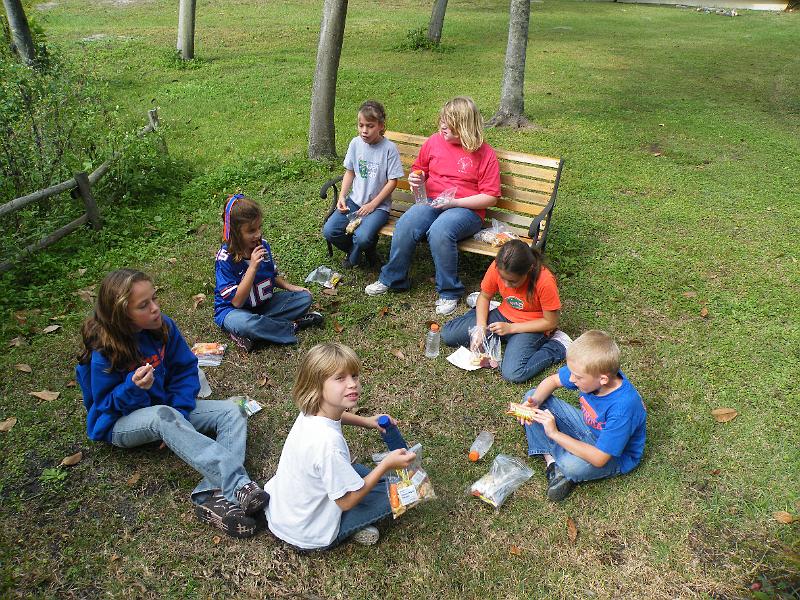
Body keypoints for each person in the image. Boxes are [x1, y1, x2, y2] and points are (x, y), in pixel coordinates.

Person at [75, 269, 268, 538]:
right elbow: (104, 405)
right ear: (121, 314)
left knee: (234, 410)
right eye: (144, 305)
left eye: (154, 299)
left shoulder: (162, 327)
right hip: (120, 423)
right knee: (160, 416)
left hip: (166, 411)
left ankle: (209, 496)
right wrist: (131, 389)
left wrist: (178, 416)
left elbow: (185, 370)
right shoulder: (104, 352)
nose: (155, 309)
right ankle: (237, 483)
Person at [264, 342, 417, 550]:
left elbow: (337, 416)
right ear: (316, 386)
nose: (352, 384)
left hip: (285, 512)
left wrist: (367, 421)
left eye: (354, 376)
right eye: (340, 378)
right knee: (407, 489)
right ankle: (351, 529)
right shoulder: (328, 444)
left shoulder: (311, 411)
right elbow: (346, 502)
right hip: (309, 534)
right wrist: (386, 465)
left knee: (373, 478)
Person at [364, 96, 501, 316]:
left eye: (449, 123)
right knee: (406, 224)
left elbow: (490, 197)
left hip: (467, 209)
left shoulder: (485, 154)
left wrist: (454, 202)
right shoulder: (434, 141)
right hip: (433, 201)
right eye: (442, 121)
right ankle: (393, 278)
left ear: (465, 126)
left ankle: (449, 292)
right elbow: (420, 169)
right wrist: (416, 179)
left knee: (440, 231)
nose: (442, 126)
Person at [516, 330, 647, 502]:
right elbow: (553, 381)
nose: (571, 379)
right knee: (533, 396)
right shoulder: (590, 373)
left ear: (603, 380)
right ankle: (553, 464)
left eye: (577, 377)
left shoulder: (623, 408)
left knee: (572, 467)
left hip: (614, 455)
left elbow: (600, 458)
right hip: (588, 428)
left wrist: (555, 433)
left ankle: (560, 463)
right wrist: (535, 402)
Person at [441, 239, 572, 383]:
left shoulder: (544, 280)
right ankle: (486, 315)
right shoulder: (498, 266)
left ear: (528, 270)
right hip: (503, 314)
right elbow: (484, 297)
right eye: (503, 279)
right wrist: (480, 327)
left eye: (513, 281)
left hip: (531, 325)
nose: (505, 284)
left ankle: (557, 346)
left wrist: (511, 328)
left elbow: (551, 322)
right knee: (448, 335)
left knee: (513, 373)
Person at [214, 194, 323, 351]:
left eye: (259, 227)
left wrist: (290, 287)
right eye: (251, 230)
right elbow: (237, 302)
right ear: (236, 233)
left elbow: (272, 275)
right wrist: (252, 267)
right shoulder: (225, 258)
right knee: (245, 323)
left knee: (304, 297)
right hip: (234, 312)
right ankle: (292, 326)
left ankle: (253, 331)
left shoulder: (263, 245)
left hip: (263, 305)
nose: (258, 234)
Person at [323, 100, 404, 269]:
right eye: (361, 125)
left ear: (381, 126)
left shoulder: (389, 149)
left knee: (363, 236)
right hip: (354, 202)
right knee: (330, 230)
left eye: (370, 126)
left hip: (378, 207)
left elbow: (392, 181)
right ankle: (362, 251)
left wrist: (373, 204)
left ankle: (356, 254)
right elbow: (350, 171)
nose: (364, 131)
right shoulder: (355, 143)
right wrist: (343, 196)